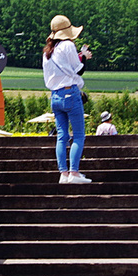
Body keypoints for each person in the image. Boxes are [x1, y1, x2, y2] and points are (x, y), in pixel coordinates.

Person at [42, 14, 92, 184]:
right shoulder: (68, 45)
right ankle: (75, 173)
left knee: (62, 136)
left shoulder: (47, 52)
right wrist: (84, 56)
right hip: (70, 94)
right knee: (78, 135)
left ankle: (63, 174)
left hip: (55, 96)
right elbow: (79, 70)